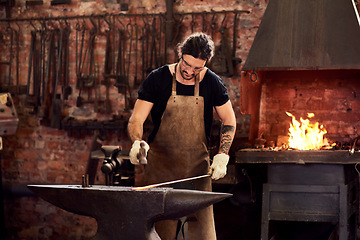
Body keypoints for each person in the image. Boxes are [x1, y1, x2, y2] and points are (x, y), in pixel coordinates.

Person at [127, 32, 236, 240]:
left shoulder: (212, 83)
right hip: (160, 172)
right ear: (180, 54)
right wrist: (136, 142)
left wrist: (223, 154)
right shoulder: (158, 78)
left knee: (201, 236)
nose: (190, 71)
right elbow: (136, 119)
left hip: (197, 173)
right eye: (187, 64)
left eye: (197, 68)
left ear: (207, 63)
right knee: (156, 235)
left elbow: (229, 120)